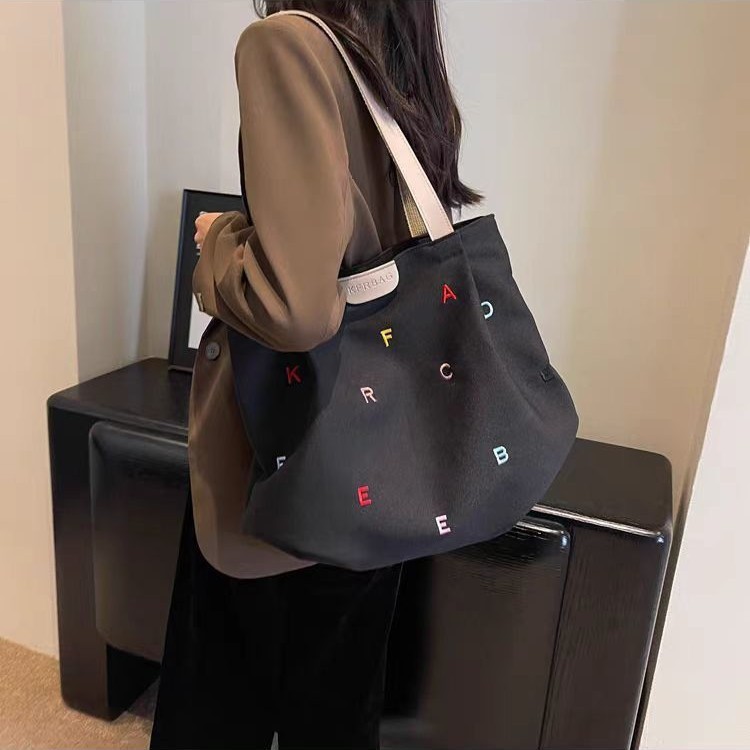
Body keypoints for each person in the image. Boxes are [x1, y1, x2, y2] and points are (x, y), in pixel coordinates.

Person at [149, 2, 481, 748]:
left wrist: (219, 243)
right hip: (384, 453)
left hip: (285, 445)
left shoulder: (285, 43)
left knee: (217, 705)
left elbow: (296, 308)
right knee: (335, 707)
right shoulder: (398, 53)